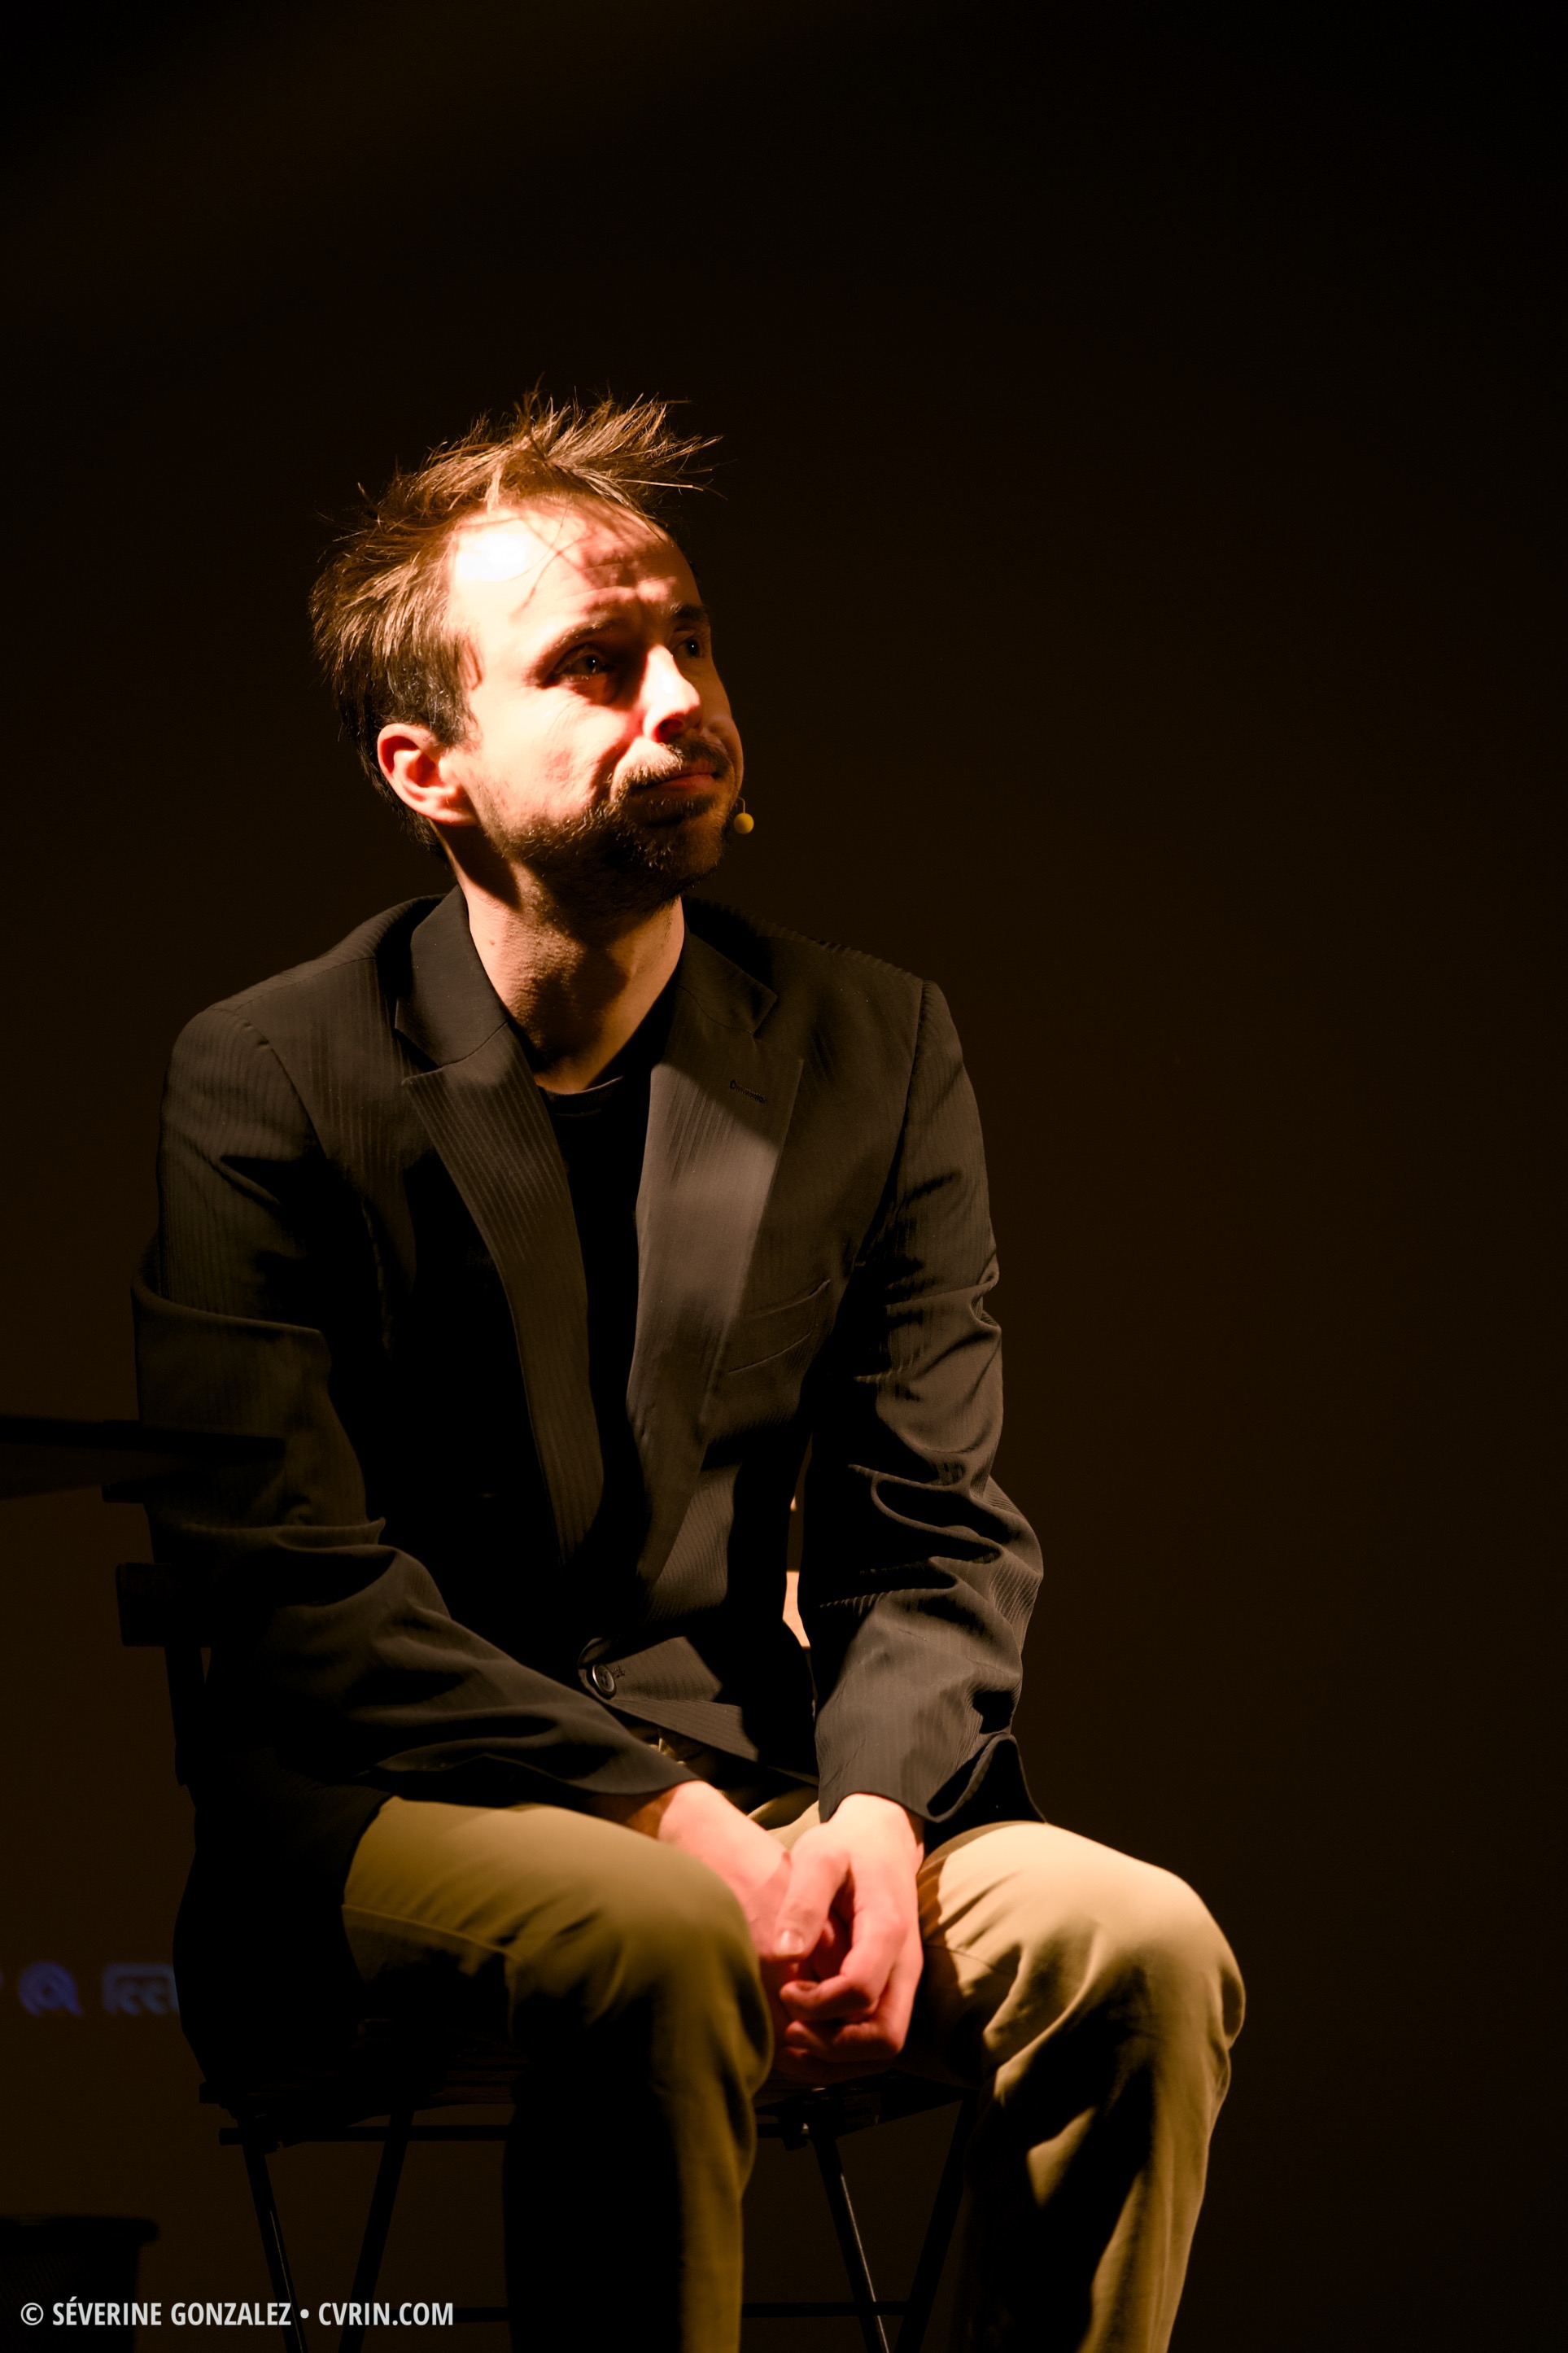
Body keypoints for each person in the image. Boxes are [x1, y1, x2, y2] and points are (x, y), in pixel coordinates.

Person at [135, 396, 1243, 2352]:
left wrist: (874, 1816)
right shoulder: (271, 1073)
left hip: (786, 1785)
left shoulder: (873, 1044)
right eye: (594, 664)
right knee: (656, 1940)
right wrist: (674, 1825)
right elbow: (284, 1582)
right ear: (429, 768)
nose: (683, 701)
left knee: (1136, 1942)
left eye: (693, 644)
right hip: (396, 1809)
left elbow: (933, 1526)